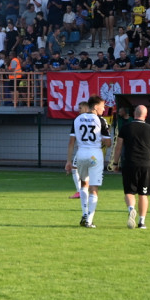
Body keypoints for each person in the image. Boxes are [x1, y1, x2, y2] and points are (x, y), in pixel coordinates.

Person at [110, 105, 150, 229]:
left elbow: (118, 147)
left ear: (134, 113)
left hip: (129, 163)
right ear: (145, 115)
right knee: (143, 194)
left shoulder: (126, 128)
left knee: (129, 192)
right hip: (146, 164)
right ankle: (142, 222)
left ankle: (131, 209)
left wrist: (115, 163)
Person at [65, 96, 111, 228]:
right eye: (103, 106)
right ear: (96, 107)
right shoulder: (100, 120)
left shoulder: (77, 119)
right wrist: (102, 139)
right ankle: (89, 220)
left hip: (80, 154)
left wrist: (68, 160)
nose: (104, 109)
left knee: (84, 184)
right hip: (94, 154)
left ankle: (84, 214)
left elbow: (71, 142)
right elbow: (108, 143)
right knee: (94, 188)